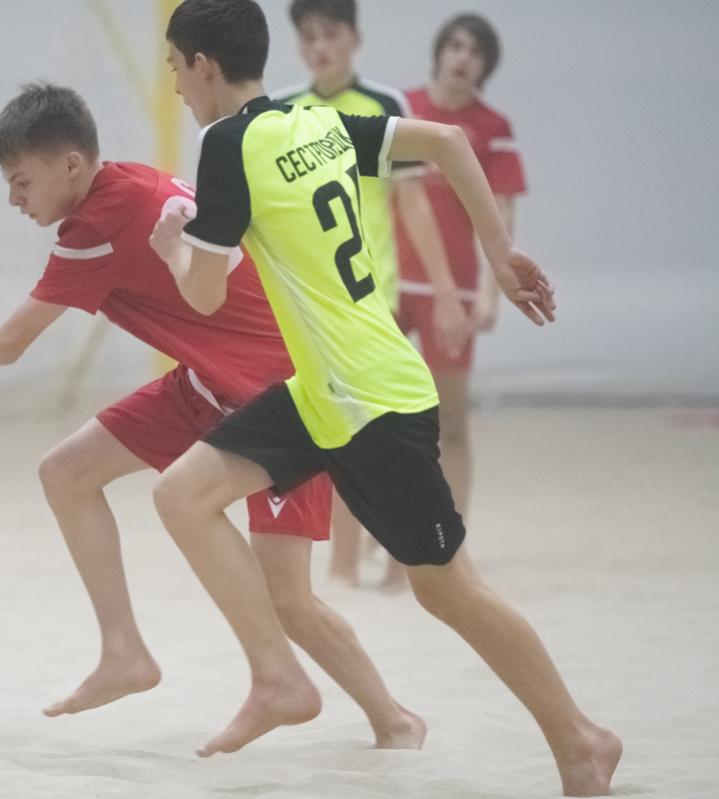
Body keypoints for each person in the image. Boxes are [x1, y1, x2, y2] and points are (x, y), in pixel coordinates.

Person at [0, 82, 424, 749]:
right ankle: (125, 653)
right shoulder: (128, 181)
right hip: (210, 381)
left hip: (281, 393)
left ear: (71, 164)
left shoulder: (98, 224)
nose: (13, 200)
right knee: (66, 472)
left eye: (20, 182)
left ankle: (370, 711)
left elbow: (10, 344)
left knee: (288, 596)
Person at [148, 2, 620, 794]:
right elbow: (447, 142)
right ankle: (275, 674)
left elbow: (201, 295)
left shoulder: (225, 144)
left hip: (371, 400)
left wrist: (172, 245)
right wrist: (498, 254)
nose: (173, 87)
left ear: (202, 65)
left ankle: (581, 738)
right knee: (181, 494)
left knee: (444, 587)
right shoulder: (317, 120)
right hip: (321, 393)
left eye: (172, 68)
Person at [275, 0, 467, 590]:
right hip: (312, 309)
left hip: (373, 299)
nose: (319, 48)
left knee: (388, 438)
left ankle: (400, 566)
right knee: (335, 435)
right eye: (308, 37)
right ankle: (342, 567)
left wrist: (446, 294)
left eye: (330, 35)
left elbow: (413, 205)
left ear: (354, 39)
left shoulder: (384, 106)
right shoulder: (283, 113)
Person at [395, 13, 526, 526]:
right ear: (439, 52)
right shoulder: (402, 109)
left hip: (455, 293)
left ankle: (450, 538)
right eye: (454, 45)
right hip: (389, 284)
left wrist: (491, 293)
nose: (462, 57)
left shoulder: (493, 129)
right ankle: (369, 531)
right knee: (365, 413)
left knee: (449, 422)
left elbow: (501, 211)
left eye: (474, 51)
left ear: (486, 66)